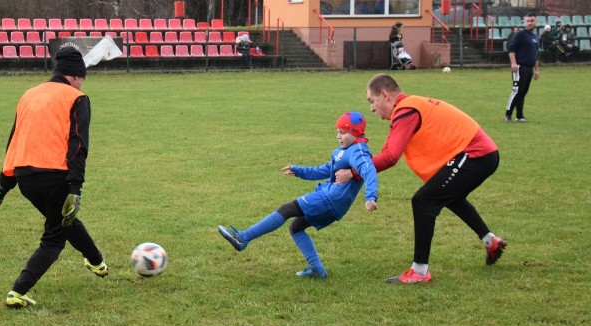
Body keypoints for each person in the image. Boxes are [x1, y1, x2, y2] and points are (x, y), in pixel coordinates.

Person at [335, 74, 505, 284]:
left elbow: (390, 157)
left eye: (372, 101)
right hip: (480, 154)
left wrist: (353, 172)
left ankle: (420, 271)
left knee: (424, 200)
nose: (371, 108)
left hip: (476, 154)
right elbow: (388, 149)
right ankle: (491, 241)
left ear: (385, 95)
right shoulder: (407, 108)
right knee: (449, 197)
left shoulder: (407, 110)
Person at [0, 46, 107, 309]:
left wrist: (0, 190)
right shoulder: (78, 98)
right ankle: (18, 290)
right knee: (54, 238)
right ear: (74, 75)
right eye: (82, 77)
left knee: (64, 220)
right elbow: (78, 146)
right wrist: (75, 188)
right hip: (56, 178)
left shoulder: (29, 95)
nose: (83, 82)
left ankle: (97, 261)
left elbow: (13, 142)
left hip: (26, 178)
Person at [217, 111, 378, 279]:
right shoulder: (347, 149)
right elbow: (325, 169)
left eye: (343, 132)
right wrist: (300, 171)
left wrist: (370, 196)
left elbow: (369, 170)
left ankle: (243, 238)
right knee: (296, 227)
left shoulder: (358, 151)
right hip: (333, 202)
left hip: (330, 199)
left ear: (356, 132)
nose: (338, 136)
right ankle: (317, 269)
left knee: (287, 209)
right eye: (337, 131)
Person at [505, 13, 539, 123]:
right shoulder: (520, 34)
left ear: (536, 22)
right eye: (528, 21)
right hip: (520, 66)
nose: (530, 23)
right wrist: (513, 63)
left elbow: (535, 55)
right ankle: (508, 114)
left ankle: (519, 116)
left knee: (523, 92)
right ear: (525, 22)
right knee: (517, 91)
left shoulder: (535, 37)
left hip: (529, 68)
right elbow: (511, 49)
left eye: (532, 21)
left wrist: (536, 70)